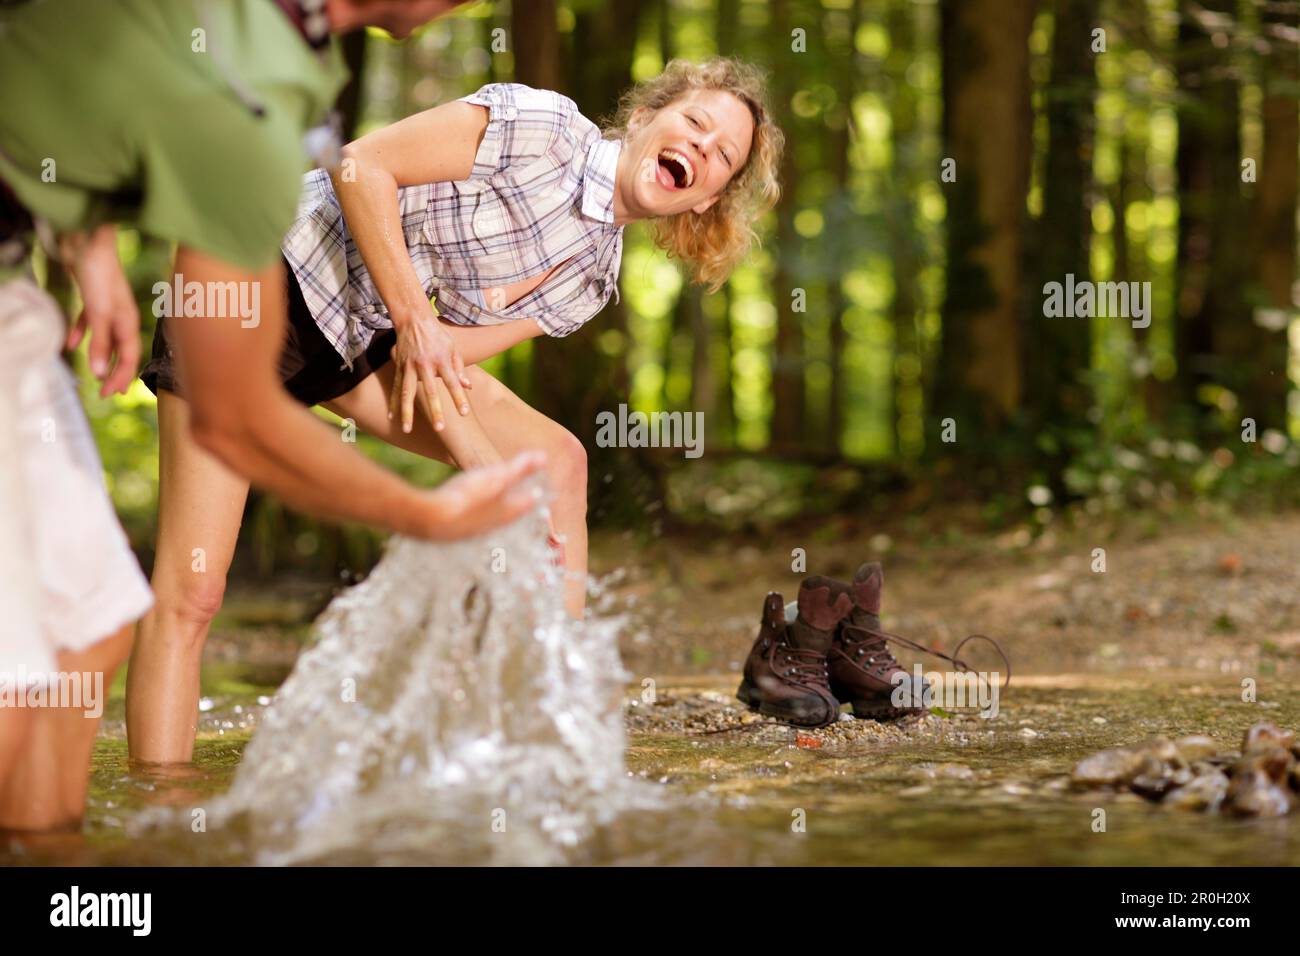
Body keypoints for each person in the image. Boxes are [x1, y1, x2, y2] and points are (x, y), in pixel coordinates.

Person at [130, 58, 785, 763]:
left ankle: (545, 738)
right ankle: (162, 810)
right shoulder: (545, 129)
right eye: (694, 121)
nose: (702, 147)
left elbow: (441, 365)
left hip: (353, 336)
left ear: (706, 200)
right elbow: (360, 166)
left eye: (723, 156)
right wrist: (416, 325)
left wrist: (507, 505)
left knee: (555, 463)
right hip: (257, 273)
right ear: (642, 118)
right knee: (194, 590)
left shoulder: (590, 280)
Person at [0, 0, 539, 831]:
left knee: (93, 623)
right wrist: (416, 512)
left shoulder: (294, 66)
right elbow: (234, 413)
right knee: (24, 664)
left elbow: (75, 77)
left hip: (17, 290)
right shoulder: (259, 72)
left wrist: (83, 239)